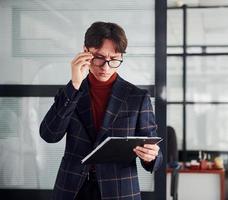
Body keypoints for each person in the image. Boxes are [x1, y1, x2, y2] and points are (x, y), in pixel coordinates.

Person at [39, 21, 163, 200]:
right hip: (73, 188)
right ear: (85, 51)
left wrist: (151, 156)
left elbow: (154, 153)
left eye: (114, 59)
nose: (105, 67)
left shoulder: (137, 97)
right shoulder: (70, 92)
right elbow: (49, 135)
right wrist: (74, 85)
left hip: (120, 190)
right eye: (99, 57)